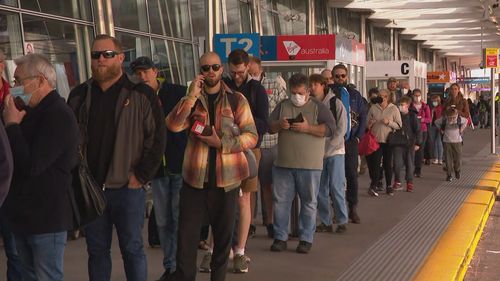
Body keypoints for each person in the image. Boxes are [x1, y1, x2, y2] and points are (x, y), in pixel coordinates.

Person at [68, 35, 166, 281]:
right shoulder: (79, 95)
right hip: (90, 189)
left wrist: (140, 176)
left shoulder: (141, 93)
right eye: (95, 55)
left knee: (132, 250)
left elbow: (157, 140)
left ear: (121, 58)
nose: (100, 59)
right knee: (96, 252)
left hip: (127, 188)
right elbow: (69, 141)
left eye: (107, 54)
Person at [166, 51, 257, 281]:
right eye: (205, 68)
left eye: (215, 67)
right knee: (186, 241)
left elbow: (251, 137)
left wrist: (222, 143)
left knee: (223, 242)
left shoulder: (237, 100)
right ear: (200, 71)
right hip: (194, 180)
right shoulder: (193, 99)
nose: (211, 72)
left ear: (222, 69)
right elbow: (173, 125)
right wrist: (189, 97)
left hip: (226, 181)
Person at [2, 53, 79, 281]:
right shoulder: (29, 111)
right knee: (27, 274)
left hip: (47, 216)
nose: (15, 87)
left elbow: (33, 164)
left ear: (41, 81)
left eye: (20, 81)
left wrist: (13, 126)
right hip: (23, 214)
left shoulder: (59, 114)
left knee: (46, 275)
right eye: (14, 81)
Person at [130, 56, 188, 281]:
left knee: (178, 217)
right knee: (163, 221)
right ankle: (170, 266)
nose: (142, 76)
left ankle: (180, 267)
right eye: (138, 73)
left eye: (146, 71)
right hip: (158, 170)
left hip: (180, 164)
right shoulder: (137, 97)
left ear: (155, 71)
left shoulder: (175, 92)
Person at [268, 73, 335, 254]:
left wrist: (307, 128)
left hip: (310, 165)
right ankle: (280, 237)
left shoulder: (318, 107)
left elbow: (330, 128)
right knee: (281, 202)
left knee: (309, 202)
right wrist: (279, 125)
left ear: (308, 91)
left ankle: (306, 238)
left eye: (300, 93)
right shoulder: (283, 106)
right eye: (294, 92)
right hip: (283, 163)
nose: (297, 96)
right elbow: (269, 126)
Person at [223, 49, 268, 273]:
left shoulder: (257, 89)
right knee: (222, 199)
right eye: (233, 72)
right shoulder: (223, 85)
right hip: (224, 151)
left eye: (240, 72)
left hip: (250, 150)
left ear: (248, 66)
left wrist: (241, 126)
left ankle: (240, 248)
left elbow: (264, 123)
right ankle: (221, 247)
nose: (237, 76)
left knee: (244, 200)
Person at [248, 56, 288, 238]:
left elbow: (284, 107)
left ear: (261, 68)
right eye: (248, 72)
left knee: (268, 185)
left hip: (270, 143)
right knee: (250, 187)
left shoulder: (275, 84)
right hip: (250, 143)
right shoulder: (242, 87)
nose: (251, 74)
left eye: (253, 71)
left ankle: (269, 221)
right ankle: (249, 223)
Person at [309, 74, 348, 234]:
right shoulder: (310, 104)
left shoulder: (335, 103)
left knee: (336, 186)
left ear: (323, 85)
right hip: (317, 152)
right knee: (320, 189)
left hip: (335, 152)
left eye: (315, 85)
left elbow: (341, 128)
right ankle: (325, 221)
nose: (312, 88)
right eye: (310, 85)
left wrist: (330, 147)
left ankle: (342, 220)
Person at [331, 64, 367, 224]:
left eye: (343, 76)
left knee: (351, 175)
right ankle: (337, 209)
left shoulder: (355, 95)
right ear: (333, 77)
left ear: (347, 77)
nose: (340, 79)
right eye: (337, 76)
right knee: (334, 177)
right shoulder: (329, 95)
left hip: (350, 140)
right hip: (333, 141)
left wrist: (358, 137)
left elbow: (363, 117)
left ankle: (353, 207)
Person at [366, 89, 402, 196]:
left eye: (384, 96)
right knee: (375, 164)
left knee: (387, 164)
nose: (381, 98)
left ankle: (389, 186)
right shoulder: (373, 107)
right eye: (379, 96)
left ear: (387, 97)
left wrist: (389, 122)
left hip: (388, 141)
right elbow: (366, 125)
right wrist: (370, 124)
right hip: (375, 140)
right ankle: (374, 185)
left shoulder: (393, 108)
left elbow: (399, 125)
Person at [392, 96, 422, 192]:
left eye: (402, 105)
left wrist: (418, 143)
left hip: (409, 144)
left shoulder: (412, 116)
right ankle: (397, 181)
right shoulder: (396, 115)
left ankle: (409, 182)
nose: (400, 106)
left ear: (408, 105)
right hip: (398, 143)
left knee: (409, 164)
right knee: (397, 164)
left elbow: (418, 130)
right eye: (399, 105)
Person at [435, 107, 467, 181]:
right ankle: (449, 175)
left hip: (457, 141)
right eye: (450, 118)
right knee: (448, 159)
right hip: (447, 141)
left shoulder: (459, 119)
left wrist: (461, 129)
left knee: (458, 158)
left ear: (456, 115)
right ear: (447, 116)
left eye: (453, 118)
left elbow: (466, 121)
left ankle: (457, 170)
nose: (452, 120)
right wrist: (441, 130)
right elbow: (436, 122)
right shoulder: (444, 120)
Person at [410, 89, 431, 177]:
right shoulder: (410, 106)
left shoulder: (425, 107)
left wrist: (422, 119)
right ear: (412, 96)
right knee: (411, 149)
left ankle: (418, 169)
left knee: (420, 150)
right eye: (415, 95)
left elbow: (429, 119)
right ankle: (411, 166)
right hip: (412, 130)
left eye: (419, 95)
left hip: (422, 130)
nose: (417, 97)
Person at [429, 94, 444, 165]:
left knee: (439, 143)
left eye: (435, 101)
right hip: (432, 126)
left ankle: (440, 159)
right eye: (433, 101)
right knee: (434, 143)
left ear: (438, 101)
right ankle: (436, 158)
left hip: (439, 126)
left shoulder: (441, 108)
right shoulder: (432, 108)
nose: (434, 102)